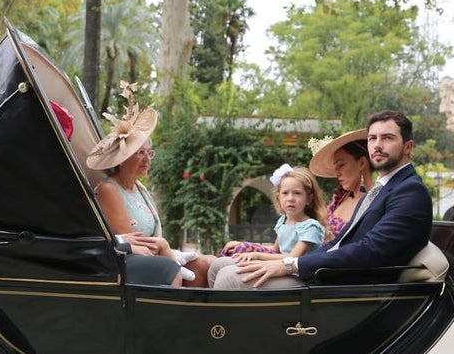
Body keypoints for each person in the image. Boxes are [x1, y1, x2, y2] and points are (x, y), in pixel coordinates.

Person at [214, 110, 432, 290]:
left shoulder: (410, 191)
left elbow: (369, 251)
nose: (377, 145)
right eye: (372, 138)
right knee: (219, 265)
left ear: (408, 147)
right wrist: (282, 261)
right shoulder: (383, 188)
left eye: (387, 138)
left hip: (349, 284)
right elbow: (337, 244)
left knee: (229, 277)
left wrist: (290, 265)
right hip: (328, 271)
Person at [86, 85, 213, 287]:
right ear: (123, 157)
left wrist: (167, 250)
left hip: (153, 253)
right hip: (127, 260)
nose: (147, 159)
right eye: (140, 153)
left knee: (207, 264)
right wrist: (164, 249)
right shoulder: (109, 189)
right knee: (169, 270)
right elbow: (134, 245)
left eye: (149, 153)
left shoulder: (140, 189)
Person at [209, 165, 326, 287]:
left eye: (297, 193)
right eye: (285, 193)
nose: (290, 198)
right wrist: (247, 247)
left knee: (227, 275)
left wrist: (257, 255)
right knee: (218, 264)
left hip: (298, 275)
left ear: (309, 199)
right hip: (279, 266)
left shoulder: (311, 227)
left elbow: (292, 258)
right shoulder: (283, 221)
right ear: (278, 197)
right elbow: (275, 250)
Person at [307, 129, 374, 242]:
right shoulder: (340, 197)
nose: (337, 172)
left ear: (362, 163)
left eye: (341, 165)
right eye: (335, 167)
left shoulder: (375, 201)